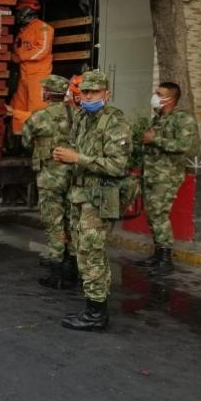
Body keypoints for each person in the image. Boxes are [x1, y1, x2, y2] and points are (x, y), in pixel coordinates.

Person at [50, 70, 130, 331]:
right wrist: (66, 158)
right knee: (85, 253)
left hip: (99, 197)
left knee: (91, 253)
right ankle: (95, 307)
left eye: (94, 92)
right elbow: (77, 152)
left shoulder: (115, 121)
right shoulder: (83, 118)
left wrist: (78, 159)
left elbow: (118, 165)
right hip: (80, 195)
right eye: (84, 92)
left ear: (106, 93)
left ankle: (96, 314)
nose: (88, 96)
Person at [134, 82, 199, 276]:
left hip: (167, 175)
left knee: (159, 215)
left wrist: (154, 139)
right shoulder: (157, 118)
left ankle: (165, 259)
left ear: (170, 99)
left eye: (159, 93)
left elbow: (183, 145)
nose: (155, 96)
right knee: (153, 215)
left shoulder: (182, 119)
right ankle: (157, 254)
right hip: (151, 173)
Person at [23, 75, 77, 288]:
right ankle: (72, 267)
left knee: (54, 222)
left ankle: (57, 272)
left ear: (46, 93)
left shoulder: (39, 117)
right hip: (75, 176)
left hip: (50, 177)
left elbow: (26, 141)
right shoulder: (77, 115)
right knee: (72, 220)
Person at [10, 0, 55, 136]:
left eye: (19, 11)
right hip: (24, 75)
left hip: (38, 77)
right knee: (18, 107)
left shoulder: (44, 28)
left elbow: (42, 50)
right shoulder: (23, 31)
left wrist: (20, 57)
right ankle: (19, 138)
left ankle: (38, 141)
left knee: (37, 109)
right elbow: (17, 50)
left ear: (27, 10)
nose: (18, 14)